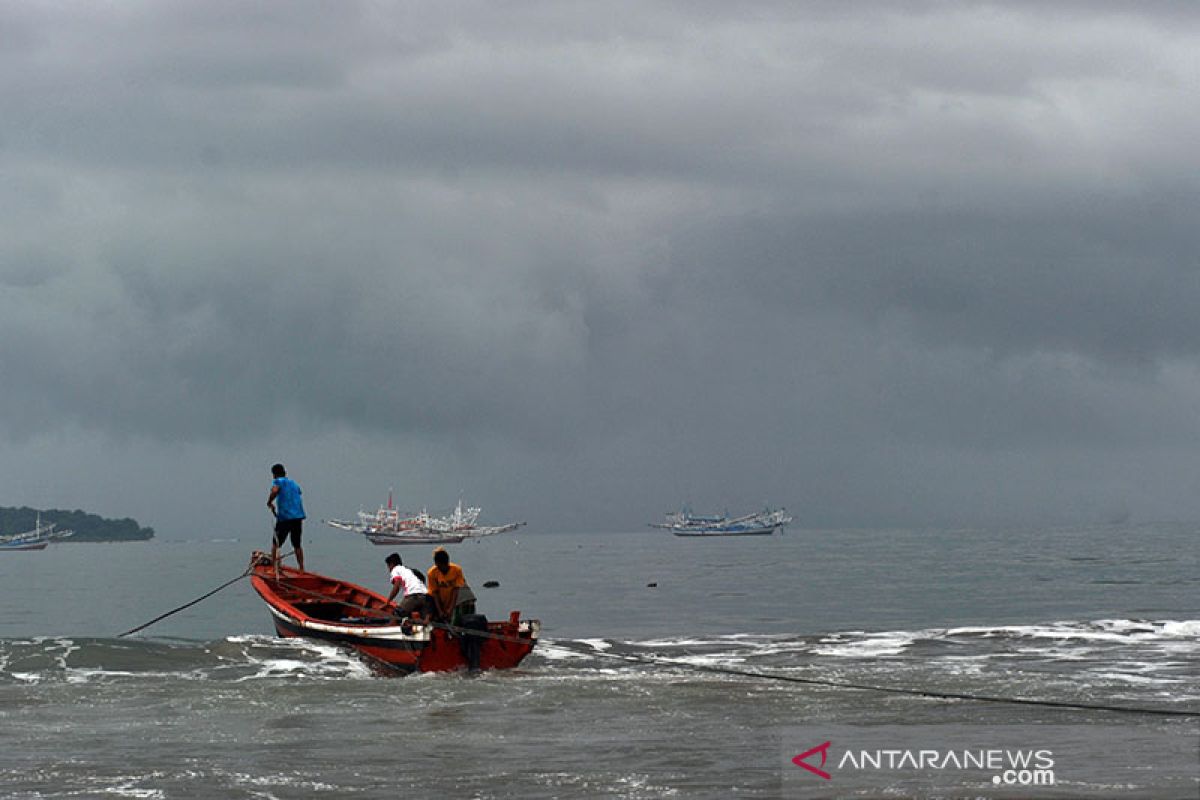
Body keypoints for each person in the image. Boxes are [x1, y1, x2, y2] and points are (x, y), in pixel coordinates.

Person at [267, 463, 306, 578]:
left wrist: (269, 502)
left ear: (274, 475)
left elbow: (275, 491)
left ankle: (274, 569)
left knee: (276, 543)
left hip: (285, 517)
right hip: (298, 516)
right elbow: (299, 493)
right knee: (297, 544)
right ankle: (301, 569)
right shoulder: (293, 483)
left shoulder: (278, 481)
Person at [425, 546, 475, 625]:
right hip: (439, 601)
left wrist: (450, 609)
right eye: (438, 566)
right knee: (429, 598)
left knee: (457, 620)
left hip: (454, 600)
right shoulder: (432, 573)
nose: (441, 569)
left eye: (442, 566)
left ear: (447, 563)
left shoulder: (456, 570)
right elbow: (435, 593)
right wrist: (440, 611)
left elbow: (456, 590)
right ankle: (428, 619)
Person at [384, 553, 428, 621]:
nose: (389, 570)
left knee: (398, 614)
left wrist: (388, 602)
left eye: (388, 566)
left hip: (414, 596)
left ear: (391, 564)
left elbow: (397, 585)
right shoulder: (409, 570)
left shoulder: (395, 569)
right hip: (426, 596)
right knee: (425, 620)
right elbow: (422, 578)